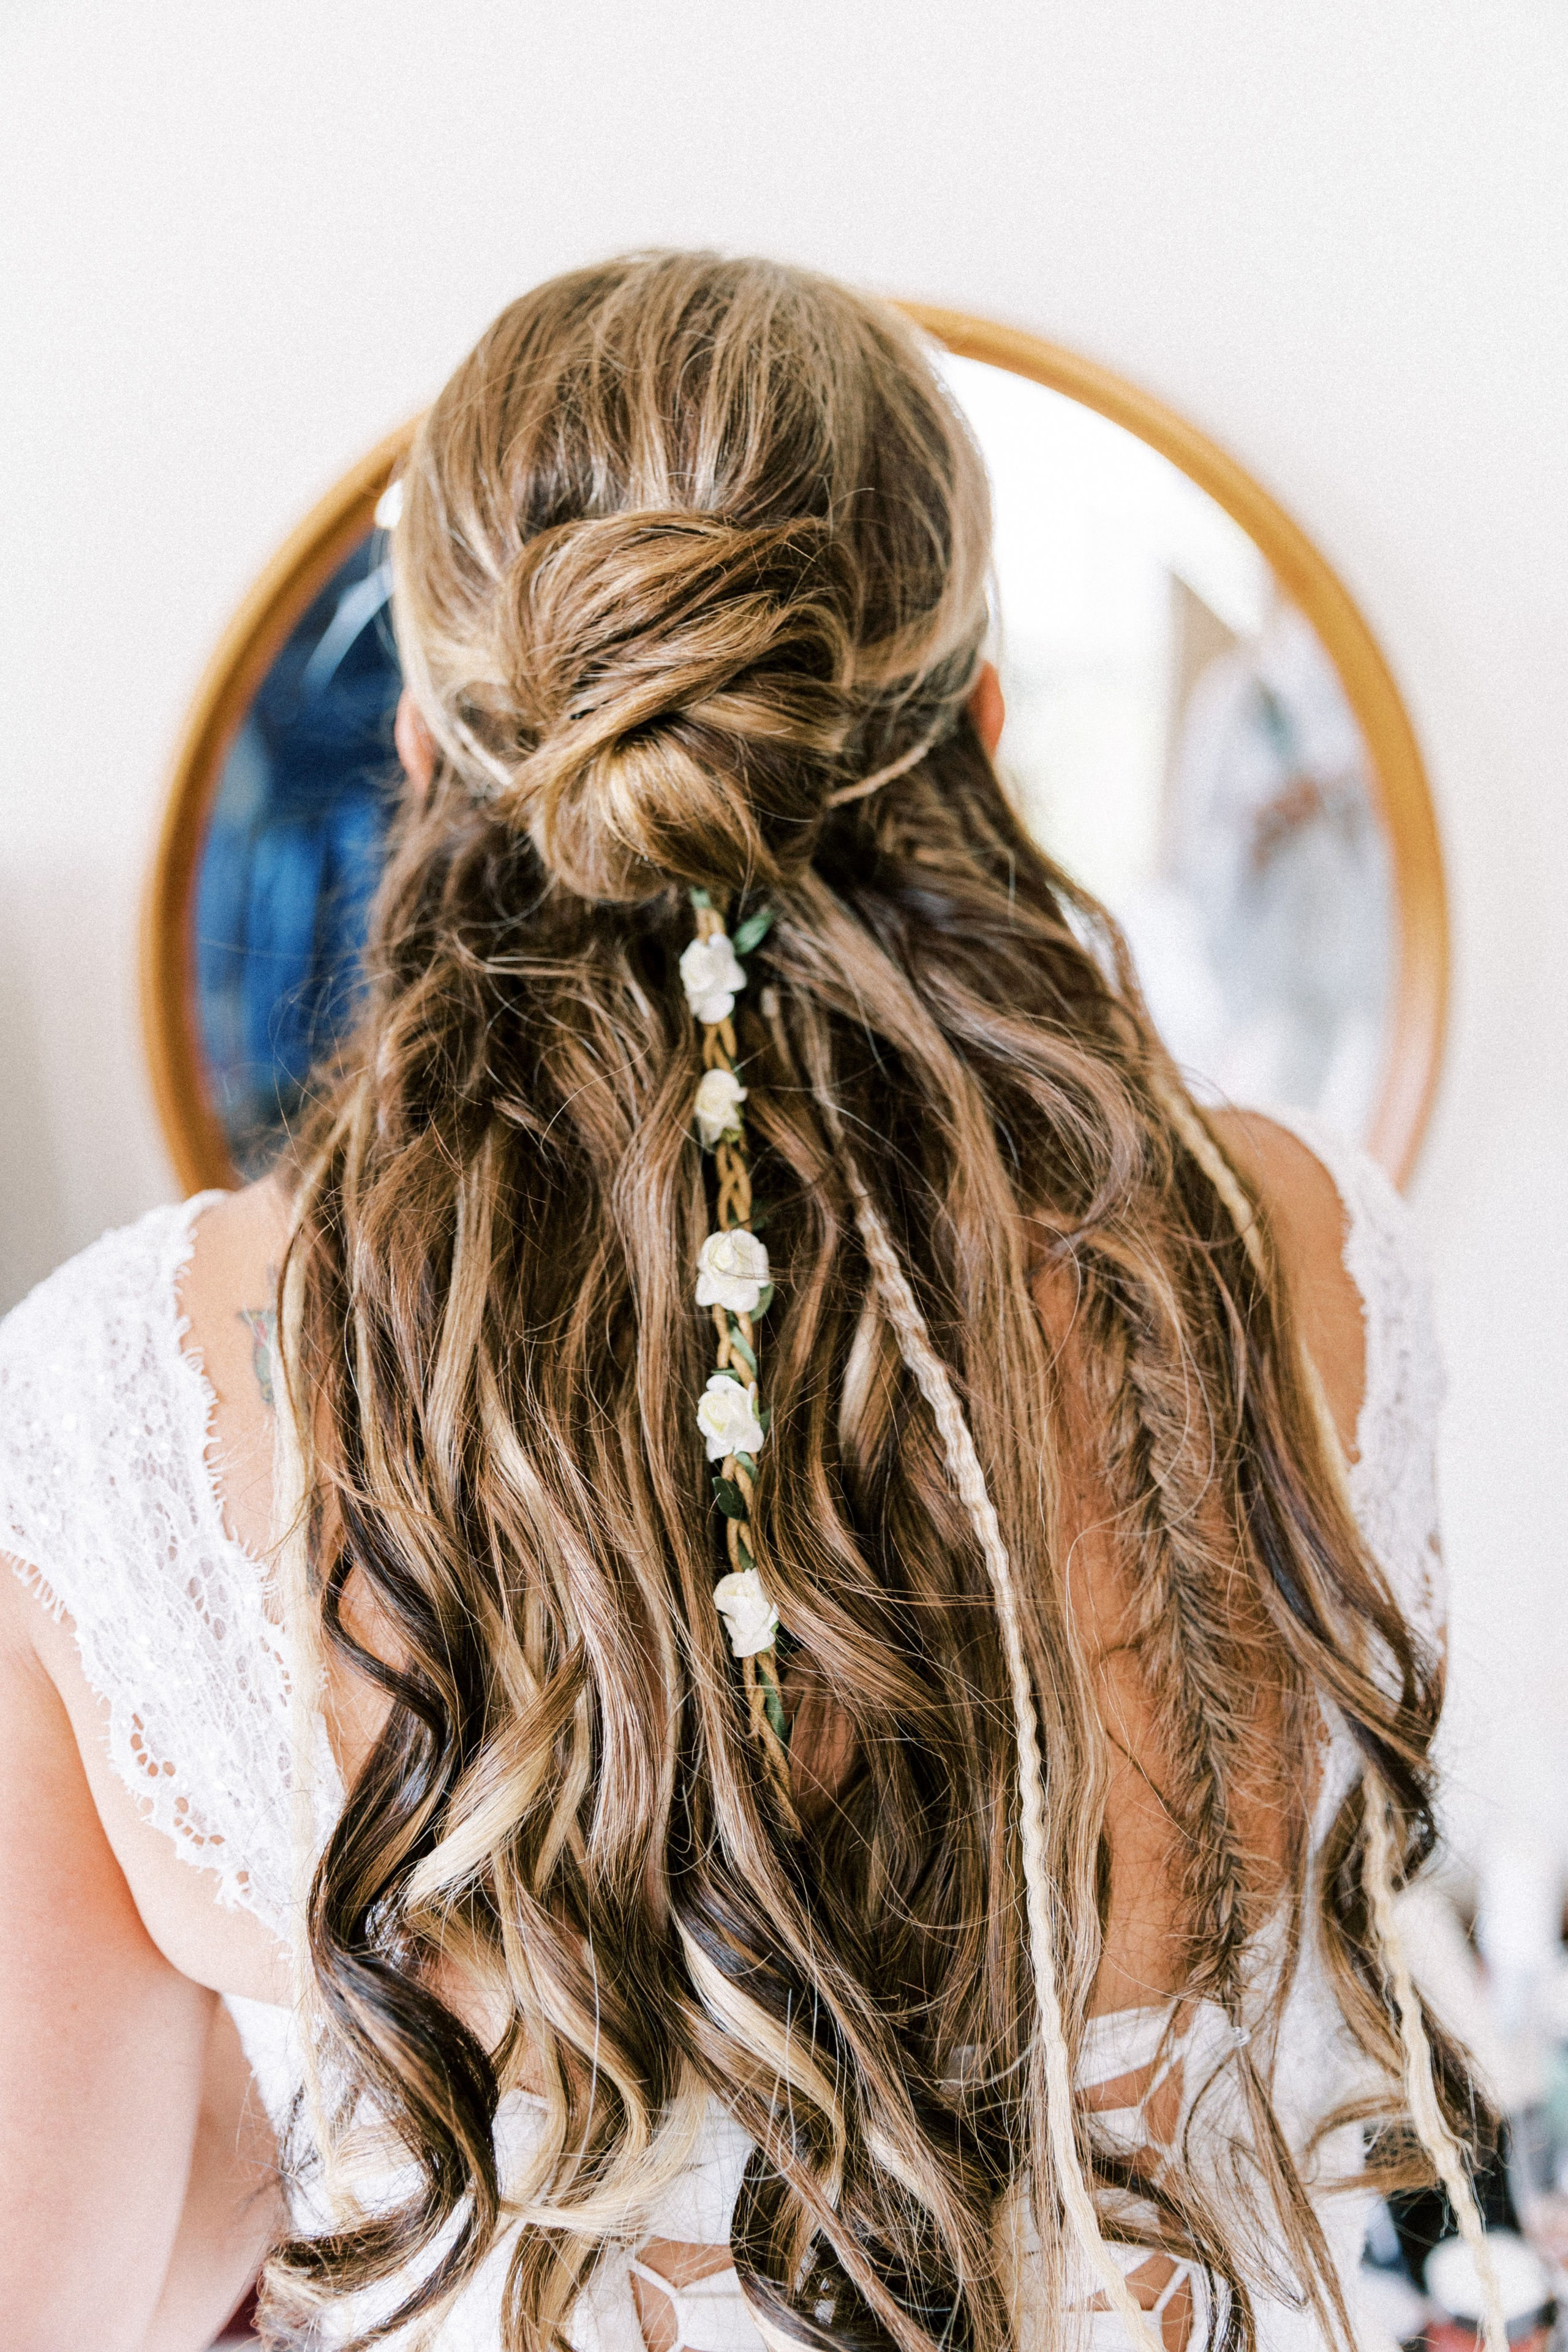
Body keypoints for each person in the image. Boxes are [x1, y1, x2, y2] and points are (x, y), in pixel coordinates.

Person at [0, 252, 1491, 2352]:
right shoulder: (1296, 1257)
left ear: (430, 747)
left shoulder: (124, 1405)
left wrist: (328, 2071)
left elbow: (63, 2288)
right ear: (973, 725)